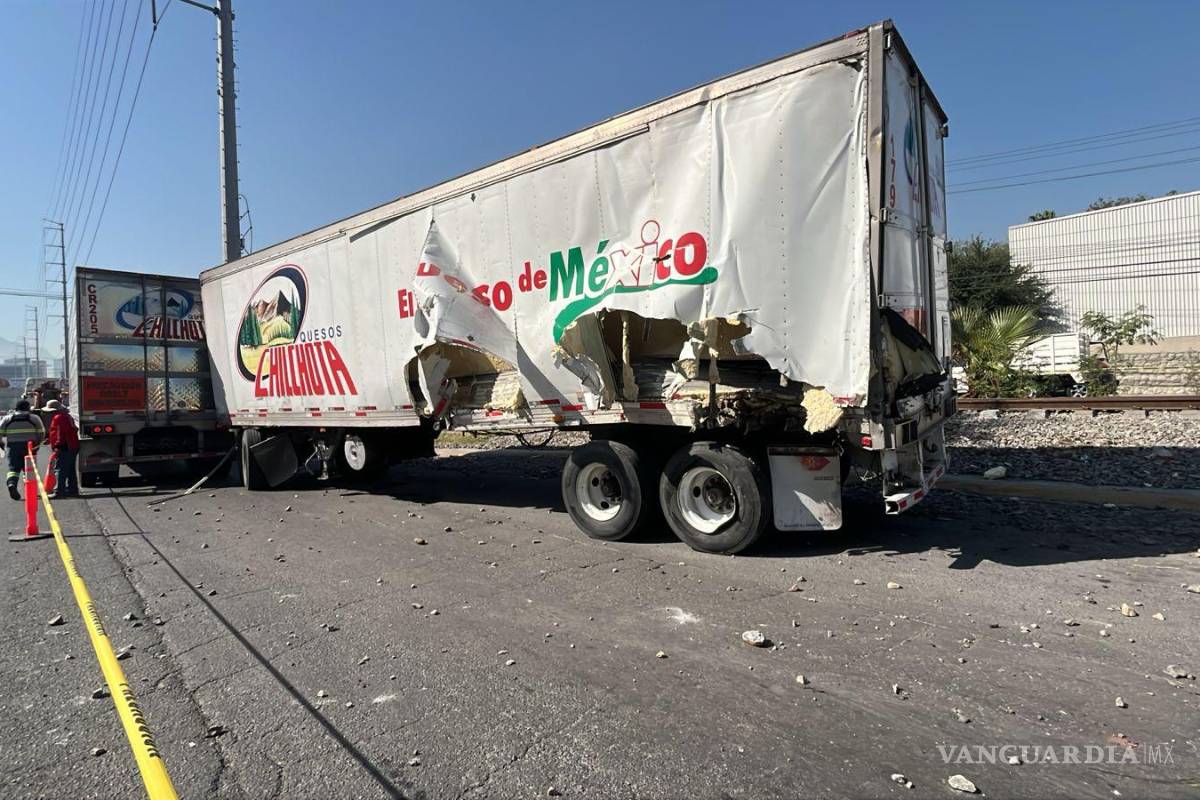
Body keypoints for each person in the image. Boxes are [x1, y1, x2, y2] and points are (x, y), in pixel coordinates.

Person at [0, 399, 45, 501]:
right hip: (30, 447)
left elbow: (0, 432)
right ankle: (30, 492)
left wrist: (1, 443)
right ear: (28, 408)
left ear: (16, 408)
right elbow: (42, 432)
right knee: (29, 470)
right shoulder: (34, 418)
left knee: (13, 469)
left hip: (13, 447)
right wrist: (38, 443)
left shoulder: (7, 418)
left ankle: (12, 483)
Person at [45, 399, 80, 498]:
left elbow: (60, 433)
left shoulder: (58, 418)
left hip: (65, 446)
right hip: (73, 446)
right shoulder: (66, 416)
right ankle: (72, 490)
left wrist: (58, 445)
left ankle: (59, 491)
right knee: (70, 470)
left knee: (60, 469)